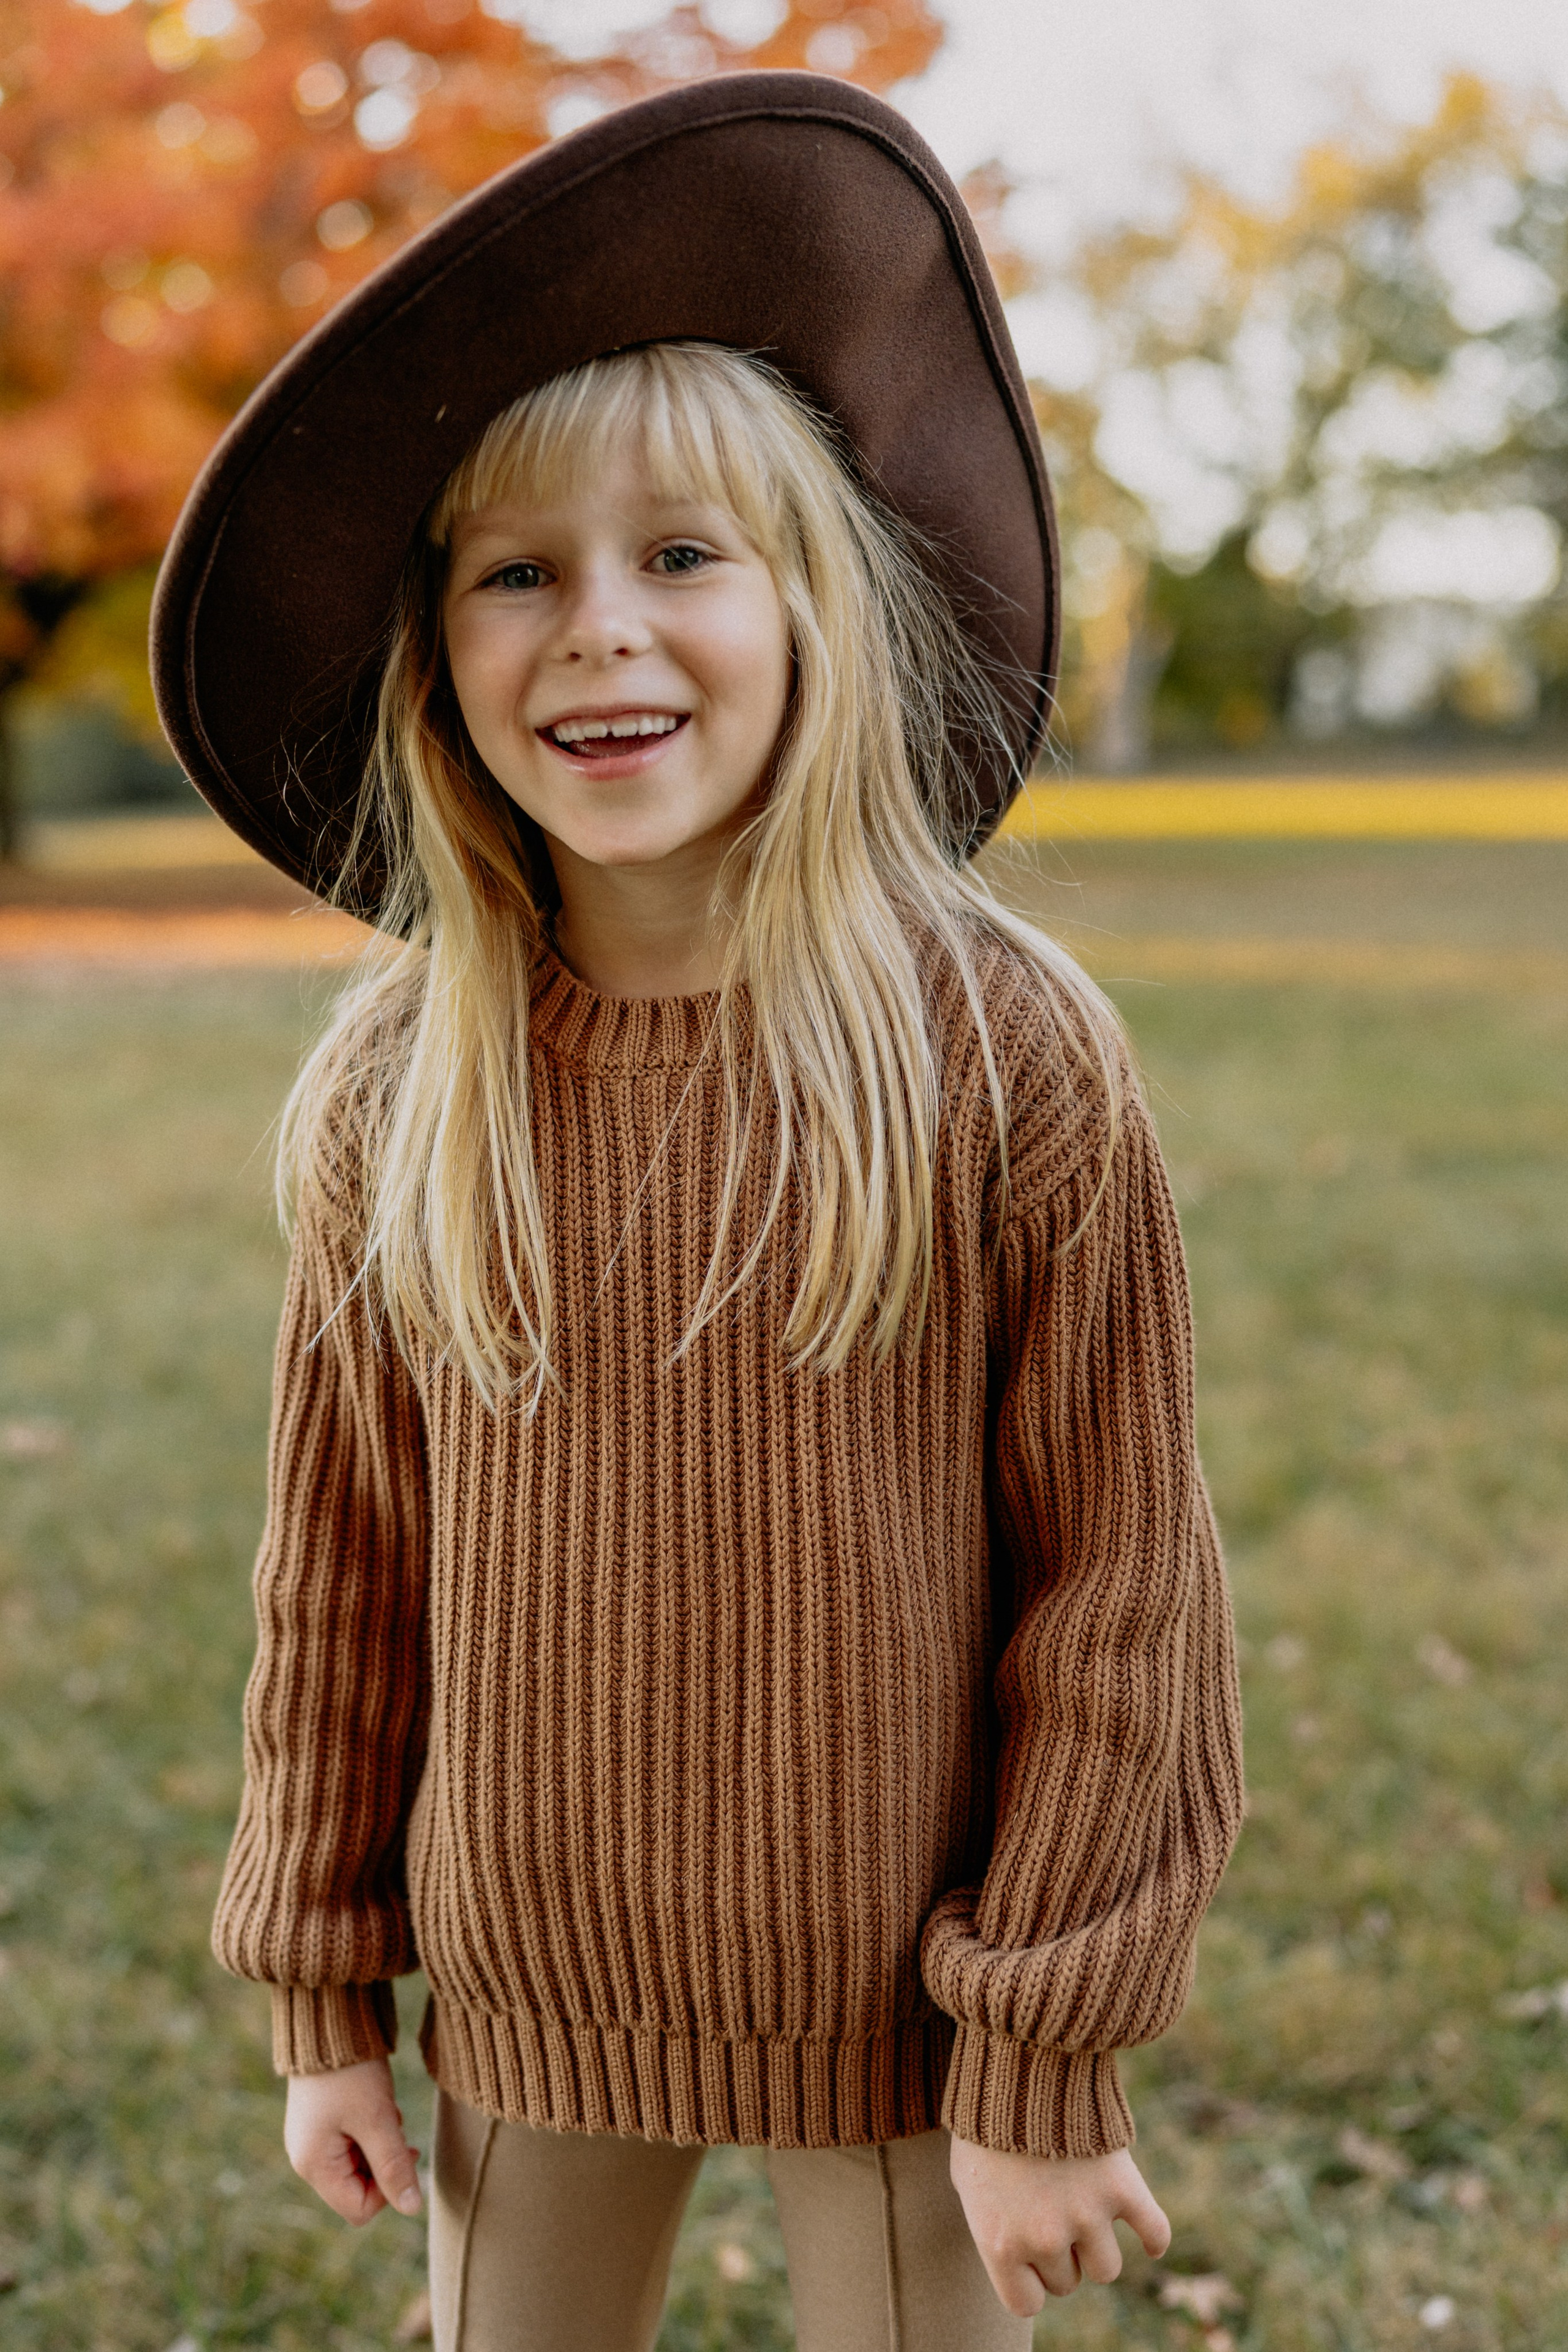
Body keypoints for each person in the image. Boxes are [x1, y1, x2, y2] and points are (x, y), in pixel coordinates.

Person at [153, 74, 1243, 2352]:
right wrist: (323, 1984)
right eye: (518, 574)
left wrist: (1040, 2048)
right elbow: (339, 1566)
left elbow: (1123, 1582)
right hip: (534, 1991)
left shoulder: (995, 1052)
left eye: (682, 558)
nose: (602, 636)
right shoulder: (404, 1091)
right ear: (438, 661)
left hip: (905, 2017)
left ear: (815, 603)